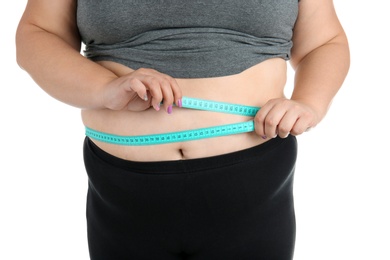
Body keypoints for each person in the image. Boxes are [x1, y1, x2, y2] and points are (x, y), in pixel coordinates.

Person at [15, 0, 349, 259]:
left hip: (252, 184)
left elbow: (324, 42)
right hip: (122, 193)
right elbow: (38, 34)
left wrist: (309, 102)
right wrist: (106, 88)